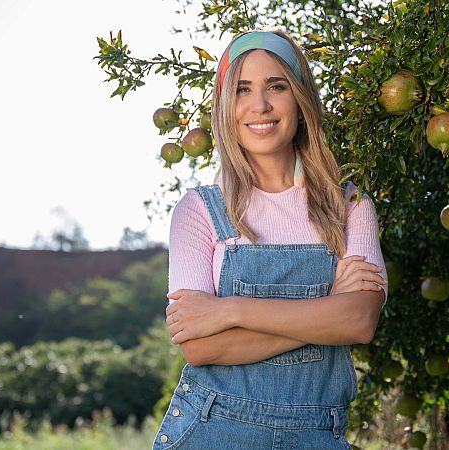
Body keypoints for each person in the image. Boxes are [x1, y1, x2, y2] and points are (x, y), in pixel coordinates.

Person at [155, 29, 388, 449]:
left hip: (317, 436)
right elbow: (201, 348)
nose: (259, 105)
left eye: (276, 86)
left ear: (299, 99)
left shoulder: (351, 204)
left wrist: (229, 310)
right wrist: (326, 310)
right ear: (227, 107)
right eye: (243, 89)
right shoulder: (199, 211)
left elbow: (359, 321)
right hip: (212, 432)